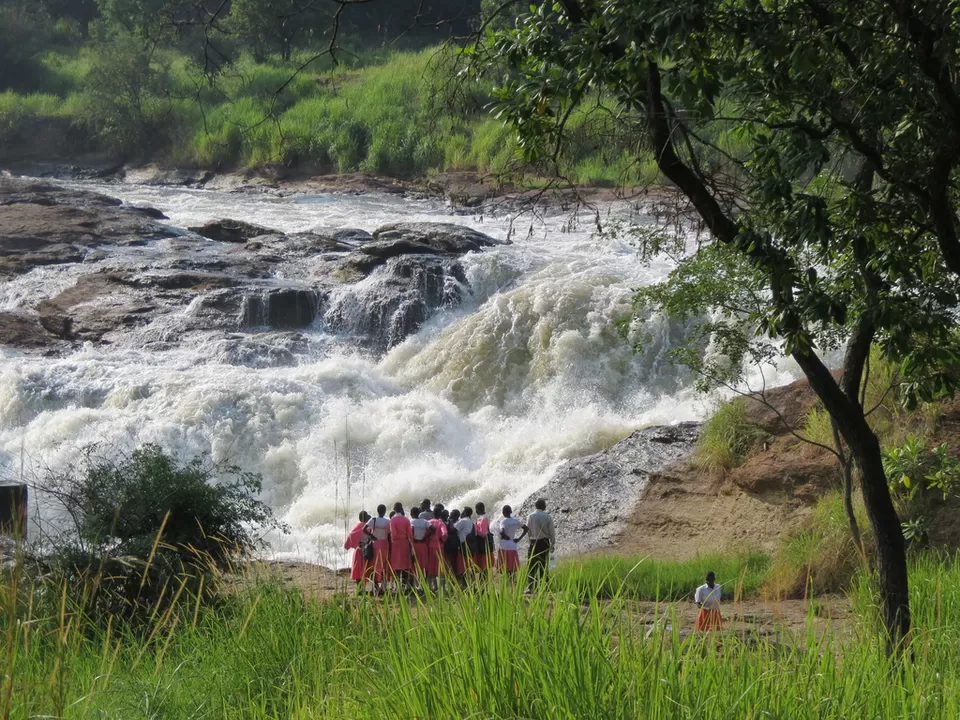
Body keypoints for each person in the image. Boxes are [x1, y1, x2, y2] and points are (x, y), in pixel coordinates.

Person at [525, 498, 555, 591]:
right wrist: (552, 543)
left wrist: (529, 543)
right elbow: (552, 532)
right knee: (544, 565)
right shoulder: (547, 517)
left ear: (536, 506)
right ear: (543, 506)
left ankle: (531, 587)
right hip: (544, 542)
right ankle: (545, 587)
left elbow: (527, 531)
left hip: (534, 542)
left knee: (531, 566)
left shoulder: (530, 516)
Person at [364, 504, 391, 595]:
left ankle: (375, 586)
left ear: (377, 510)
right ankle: (383, 587)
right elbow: (389, 535)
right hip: (384, 544)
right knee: (384, 565)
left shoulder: (373, 519)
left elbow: (364, 529)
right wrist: (390, 547)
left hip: (375, 544)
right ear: (385, 511)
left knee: (374, 565)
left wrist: (372, 536)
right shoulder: (387, 521)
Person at [344, 510, 373, 592]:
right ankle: (364, 587)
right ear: (366, 517)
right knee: (366, 569)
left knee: (357, 570)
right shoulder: (368, 526)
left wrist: (347, 545)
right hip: (367, 550)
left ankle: (359, 588)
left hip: (358, 550)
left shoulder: (357, 526)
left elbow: (351, 535)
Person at [389, 502, 414, 591]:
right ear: (401, 509)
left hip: (396, 544)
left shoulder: (393, 520)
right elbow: (410, 534)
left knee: (396, 565)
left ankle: (397, 586)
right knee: (405, 565)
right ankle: (404, 586)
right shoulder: (406, 520)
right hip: (405, 543)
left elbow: (393, 534)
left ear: (394, 509)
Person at [497, 505, 528, 575]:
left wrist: (505, 536)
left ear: (503, 512)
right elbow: (526, 529)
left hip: (504, 547)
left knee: (505, 569)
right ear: (510, 512)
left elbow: (502, 531)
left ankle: (507, 581)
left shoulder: (503, 522)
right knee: (513, 569)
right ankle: (513, 581)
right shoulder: (515, 521)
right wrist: (519, 539)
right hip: (512, 546)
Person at [410, 506, 433, 587]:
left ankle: (415, 585)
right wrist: (425, 537)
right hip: (423, 545)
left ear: (411, 514)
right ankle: (424, 585)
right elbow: (433, 529)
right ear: (419, 513)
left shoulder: (411, 521)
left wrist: (413, 538)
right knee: (424, 565)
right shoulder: (424, 521)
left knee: (414, 565)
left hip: (414, 545)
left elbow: (412, 530)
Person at [427, 504, 447, 592]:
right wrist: (442, 540)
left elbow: (426, 533)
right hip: (439, 547)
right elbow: (444, 534)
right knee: (440, 567)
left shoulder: (429, 522)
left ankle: (431, 587)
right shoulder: (441, 523)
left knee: (431, 567)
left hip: (430, 547)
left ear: (433, 513)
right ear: (440, 514)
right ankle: (442, 588)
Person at [454, 506, 476, 582]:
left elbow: (453, 529)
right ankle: (470, 584)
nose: (461, 513)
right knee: (467, 567)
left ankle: (463, 585)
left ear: (465, 513)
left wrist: (450, 520)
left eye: (462, 511)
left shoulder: (463, 521)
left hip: (462, 546)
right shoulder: (472, 523)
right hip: (470, 547)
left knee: (461, 568)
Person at [472, 502, 494, 573]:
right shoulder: (484, 517)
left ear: (478, 509)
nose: (476, 511)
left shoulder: (483, 518)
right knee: (484, 564)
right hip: (484, 541)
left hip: (482, 542)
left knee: (483, 563)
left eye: (476, 509)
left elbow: (483, 533)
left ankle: (484, 578)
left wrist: (475, 528)